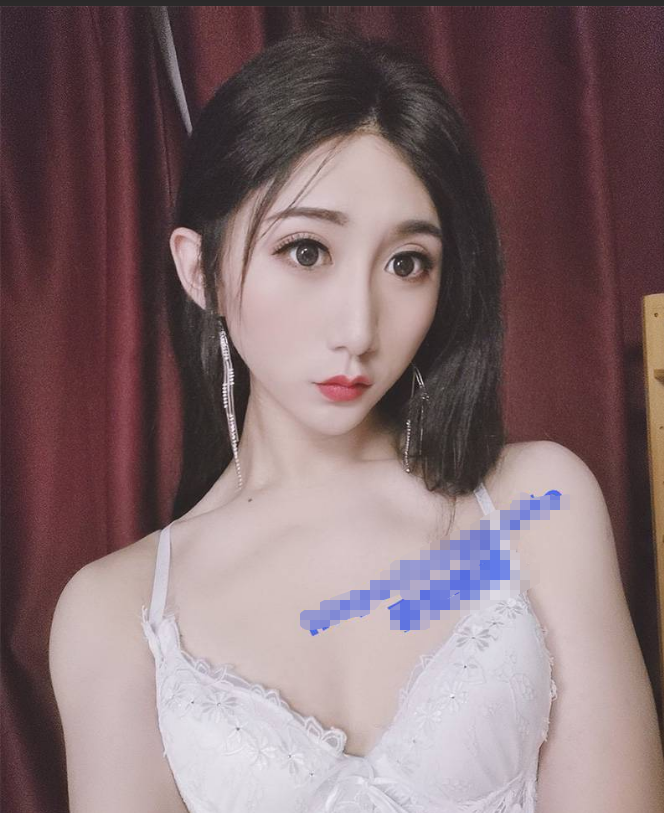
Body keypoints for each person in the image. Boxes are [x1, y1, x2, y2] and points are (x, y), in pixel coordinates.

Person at [48, 28, 664, 813]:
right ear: (200, 270)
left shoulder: (540, 504)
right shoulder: (115, 612)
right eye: (307, 251)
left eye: (407, 263)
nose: (359, 327)